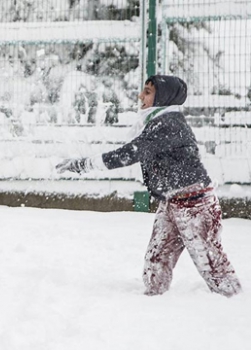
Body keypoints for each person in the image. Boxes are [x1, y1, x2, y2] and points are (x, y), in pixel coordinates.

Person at [56, 75, 242, 297]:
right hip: (172, 201)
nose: (140, 96)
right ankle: (152, 300)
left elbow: (129, 154)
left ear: (162, 97)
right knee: (157, 256)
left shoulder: (169, 124)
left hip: (195, 205)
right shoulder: (157, 122)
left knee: (210, 261)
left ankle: (233, 300)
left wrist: (82, 165)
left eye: (147, 92)